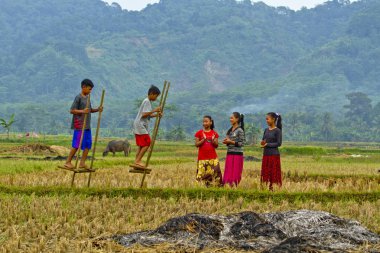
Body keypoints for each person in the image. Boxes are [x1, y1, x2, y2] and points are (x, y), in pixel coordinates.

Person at [64, 79, 103, 170]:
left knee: (88, 144)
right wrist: (82, 111)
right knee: (76, 145)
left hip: (87, 126)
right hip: (79, 125)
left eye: (91, 90)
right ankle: (68, 162)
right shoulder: (78, 97)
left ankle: (82, 163)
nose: (90, 91)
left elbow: (89, 110)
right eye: (89, 89)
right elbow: (72, 110)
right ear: (83, 87)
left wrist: (98, 109)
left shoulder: (88, 98)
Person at [133, 85, 162, 168]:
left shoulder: (147, 101)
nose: (156, 98)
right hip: (140, 125)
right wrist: (155, 110)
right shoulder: (147, 101)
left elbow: (146, 116)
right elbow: (144, 114)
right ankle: (138, 161)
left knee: (142, 145)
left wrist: (156, 115)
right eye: (156, 96)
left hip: (139, 124)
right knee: (147, 142)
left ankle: (136, 162)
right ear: (152, 94)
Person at [194, 116, 222, 187]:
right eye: (203, 122)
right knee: (201, 174)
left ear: (211, 122)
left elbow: (216, 145)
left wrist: (213, 141)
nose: (204, 123)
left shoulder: (214, 133)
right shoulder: (199, 133)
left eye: (206, 121)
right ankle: (201, 186)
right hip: (202, 158)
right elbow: (196, 144)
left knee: (215, 173)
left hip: (213, 158)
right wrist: (203, 140)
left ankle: (214, 186)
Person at [261, 112, 282, 191]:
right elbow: (264, 140)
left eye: (267, 119)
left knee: (273, 173)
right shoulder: (266, 130)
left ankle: (274, 188)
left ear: (273, 119)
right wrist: (263, 143)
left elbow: (279, 143)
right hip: (266, 155)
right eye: (266, 119)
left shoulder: (277, 131)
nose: (266, 121)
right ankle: (265, 188)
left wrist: (267, 144)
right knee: (265, 172)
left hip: (274, 155)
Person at [222, 112, 245, 187]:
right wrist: (226, 142)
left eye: (232, 118)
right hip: (229, 153)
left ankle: (234, 186)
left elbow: (242, 143)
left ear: (237, 119)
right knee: (228, 171)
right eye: (230, 118)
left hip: (237, 154)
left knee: (235, 172)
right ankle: (226, 185)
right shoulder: (230, 130)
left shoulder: (240, 130)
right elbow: (229, 143)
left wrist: (230, 141)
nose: (230, 119)